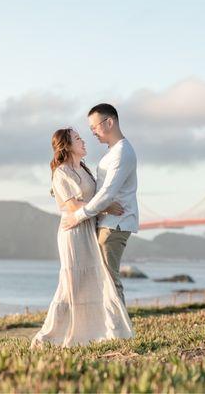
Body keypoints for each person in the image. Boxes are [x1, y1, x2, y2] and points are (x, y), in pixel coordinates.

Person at [30, 127, 133, 348]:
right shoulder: (61, 173)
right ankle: (47, 337)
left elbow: (94, 198)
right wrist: (106, 207)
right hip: (73, 231)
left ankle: (91, 333)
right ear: (66, 145)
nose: (83, 141)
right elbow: (72, 205)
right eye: (78, 138)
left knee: (91, 281)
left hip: (87, 228)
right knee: (72, 284)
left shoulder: (84, 169)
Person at [62, 103, 139, 305]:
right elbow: (103, 195)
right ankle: (109, 329)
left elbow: (106, 193)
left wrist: (77, 217)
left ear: (110, 122)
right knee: (103, 280)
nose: (92, 132)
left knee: (109, 281)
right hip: (108, 221)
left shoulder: (122, 152)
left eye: (94, 127)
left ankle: (119, 332)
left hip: (115, 224)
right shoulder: (113, 151)